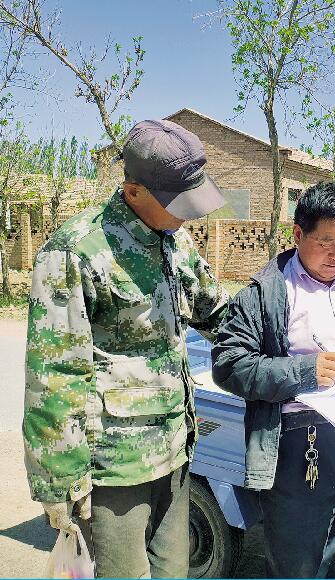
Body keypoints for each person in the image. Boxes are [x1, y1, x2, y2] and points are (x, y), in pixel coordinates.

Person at [23, 119, 230, 577]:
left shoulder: (174, 240)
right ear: (134, 191)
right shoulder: (75, 251)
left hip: (174, 448)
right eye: (178, 204)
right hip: (115, 465)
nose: (189, 216)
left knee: (173, 571)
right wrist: (60, 481)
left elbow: (216, 311)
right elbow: (54, 377)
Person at [211, 181, 335, 578]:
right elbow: (230, 364)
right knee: (297, 561)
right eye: (326, 243)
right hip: (301, 441)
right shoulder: (267, 292)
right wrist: (302, 373)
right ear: (298, 234)